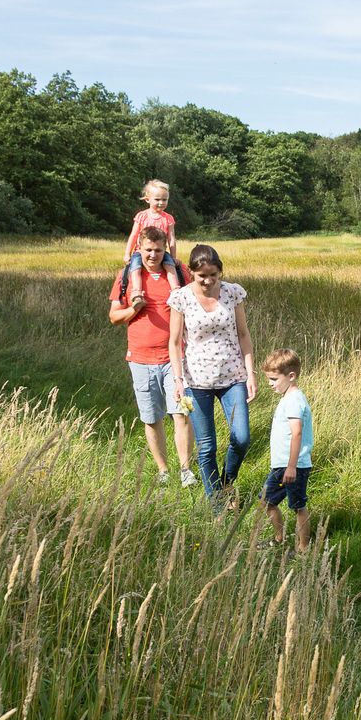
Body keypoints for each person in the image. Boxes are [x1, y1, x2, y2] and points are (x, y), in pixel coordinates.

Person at [109, 226, 196, 490]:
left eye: (159, 250)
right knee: (151, 418)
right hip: (140, 358)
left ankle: (186, 470)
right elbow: (114, 317)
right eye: (148, 250)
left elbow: (196, 303)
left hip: (177, 358)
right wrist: (134, 308)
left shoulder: (180, 273)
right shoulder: (126, 276)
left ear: (165, 250)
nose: (153, 255)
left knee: (181, 414)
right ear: (139, 249)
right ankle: (163, 471)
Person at [167, 244, 256, 504]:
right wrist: (178, 380)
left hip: (233, 377)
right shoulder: (181, 297)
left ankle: (227, 482)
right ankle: (215, 503)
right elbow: (174, 342)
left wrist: (250, 374)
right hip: (196, 381)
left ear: (220, 272)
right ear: (192, 273)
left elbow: (243, 334)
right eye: (201, 276)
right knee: (207, 448)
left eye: (213, 275)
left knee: (241, 438)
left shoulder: (232, 293)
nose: (208, 281)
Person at [261, 349, 314, 552]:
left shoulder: (294, 400)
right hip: (283, 465)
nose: (270, 383)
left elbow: (297, 433)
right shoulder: (287, 398)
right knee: (266, 502)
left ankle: (303, 548)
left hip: (293, 466)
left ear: (291, 376)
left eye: (274, 379)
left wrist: (291, 467)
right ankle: (279, 538)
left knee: (298, 506)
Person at [123, 179, 182, 304]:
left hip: (161, 251)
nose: (161, 203)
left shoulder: (168, 218)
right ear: (147, 199)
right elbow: (133, 235)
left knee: (170, 266)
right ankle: (137, 292)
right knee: (135, 268)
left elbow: (171, 239)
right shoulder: (142, 216)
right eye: (157, 199)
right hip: (141, 251)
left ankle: (176, 291)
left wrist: (173, 256)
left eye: (164, 200)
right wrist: (127, 253)